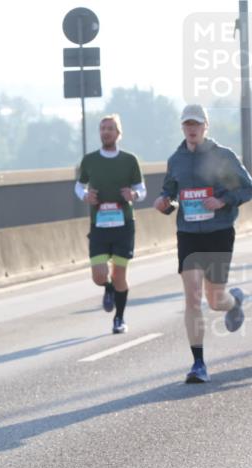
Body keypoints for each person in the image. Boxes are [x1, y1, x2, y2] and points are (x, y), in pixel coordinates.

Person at [153, 104, 248, 383]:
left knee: (215, 299)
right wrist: (164, 204)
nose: (191, 129)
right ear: (182, 128)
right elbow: (169, 194)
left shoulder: (223, 157)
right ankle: (198, 364)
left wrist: (222, 200)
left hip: (219, 231)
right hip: (189, 234)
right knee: (193, 296)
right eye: (187, 124)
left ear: (206, 126)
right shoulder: (176, 160)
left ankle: (233, 303)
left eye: (196, 124)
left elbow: (247, 187)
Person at [74, 114, 146, 334]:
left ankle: (119, 318)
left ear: (118, 133)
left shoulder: (129, 160)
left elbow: (142, 190)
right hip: (99, 225)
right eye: (103, 128)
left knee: (119, 275)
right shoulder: (90, 160)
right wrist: (85, 196)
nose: (106, 132)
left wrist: (132, 194)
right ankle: (108, 289)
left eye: (111, 128)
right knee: (98, 275)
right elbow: (78, 187)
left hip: (123, 225)